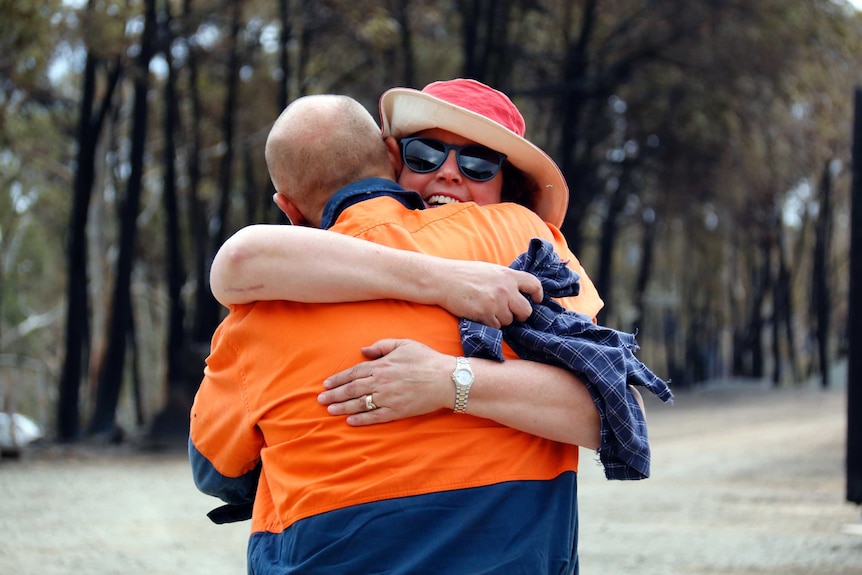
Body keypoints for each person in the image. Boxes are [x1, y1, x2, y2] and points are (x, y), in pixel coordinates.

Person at [190, 94, 617, 574]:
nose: (450, 173)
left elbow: (218, 473)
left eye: (479, 163)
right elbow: (240, 258)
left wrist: (447, 381)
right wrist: (448, 281)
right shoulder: (525, 243)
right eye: (426, 154)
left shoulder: (258, 311)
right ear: (394, 159)